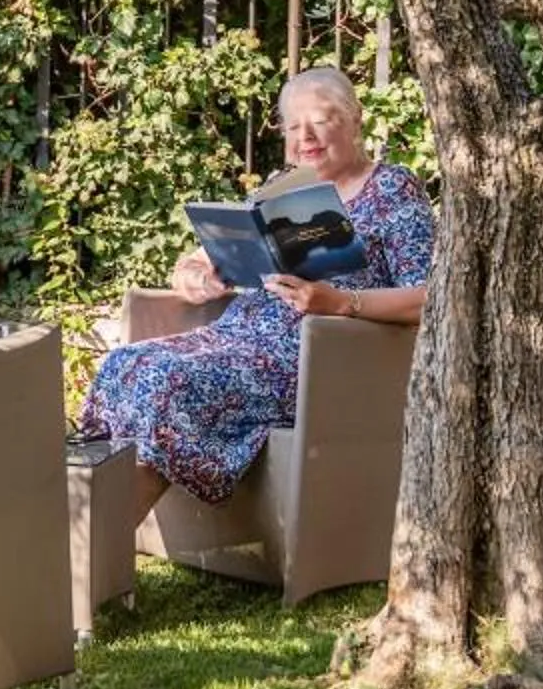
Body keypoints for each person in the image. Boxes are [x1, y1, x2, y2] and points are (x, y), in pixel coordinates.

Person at [77, 66, 432, 521]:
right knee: (123, 364)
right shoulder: (280, 192)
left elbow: (428, 298)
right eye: (292, 126)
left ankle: (85, 565)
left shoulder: (392, 189)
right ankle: (88, 559)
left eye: (320, 121)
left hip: (313, 359)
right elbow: (195, 261)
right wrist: (195, 276)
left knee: (163, 380)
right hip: (234, 338)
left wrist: (342, 303)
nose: (305, 137)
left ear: (355, 119)